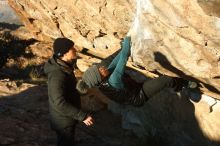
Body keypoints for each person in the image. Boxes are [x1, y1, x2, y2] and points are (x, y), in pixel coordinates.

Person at [77, 36, 188, 107]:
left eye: (98, 68)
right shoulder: (113, 80)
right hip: (138, 96)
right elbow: (125, 56)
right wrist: (127, 40)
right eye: (99, 71)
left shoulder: (104, 76)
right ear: (99, 78)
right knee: (165, 80)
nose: (101, 68)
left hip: (132, 87)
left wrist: (123, 47)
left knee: (161, 81)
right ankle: (183, 84)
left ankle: (177, 85)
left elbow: (117, 59)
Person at [44, 37, 94, 146]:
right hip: (63, 121)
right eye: (72, 48)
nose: (75, 49)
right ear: (64, 53)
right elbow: (58, 102)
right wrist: (82, 116)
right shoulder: (58, 74)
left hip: (65, 119)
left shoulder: (64, 66)